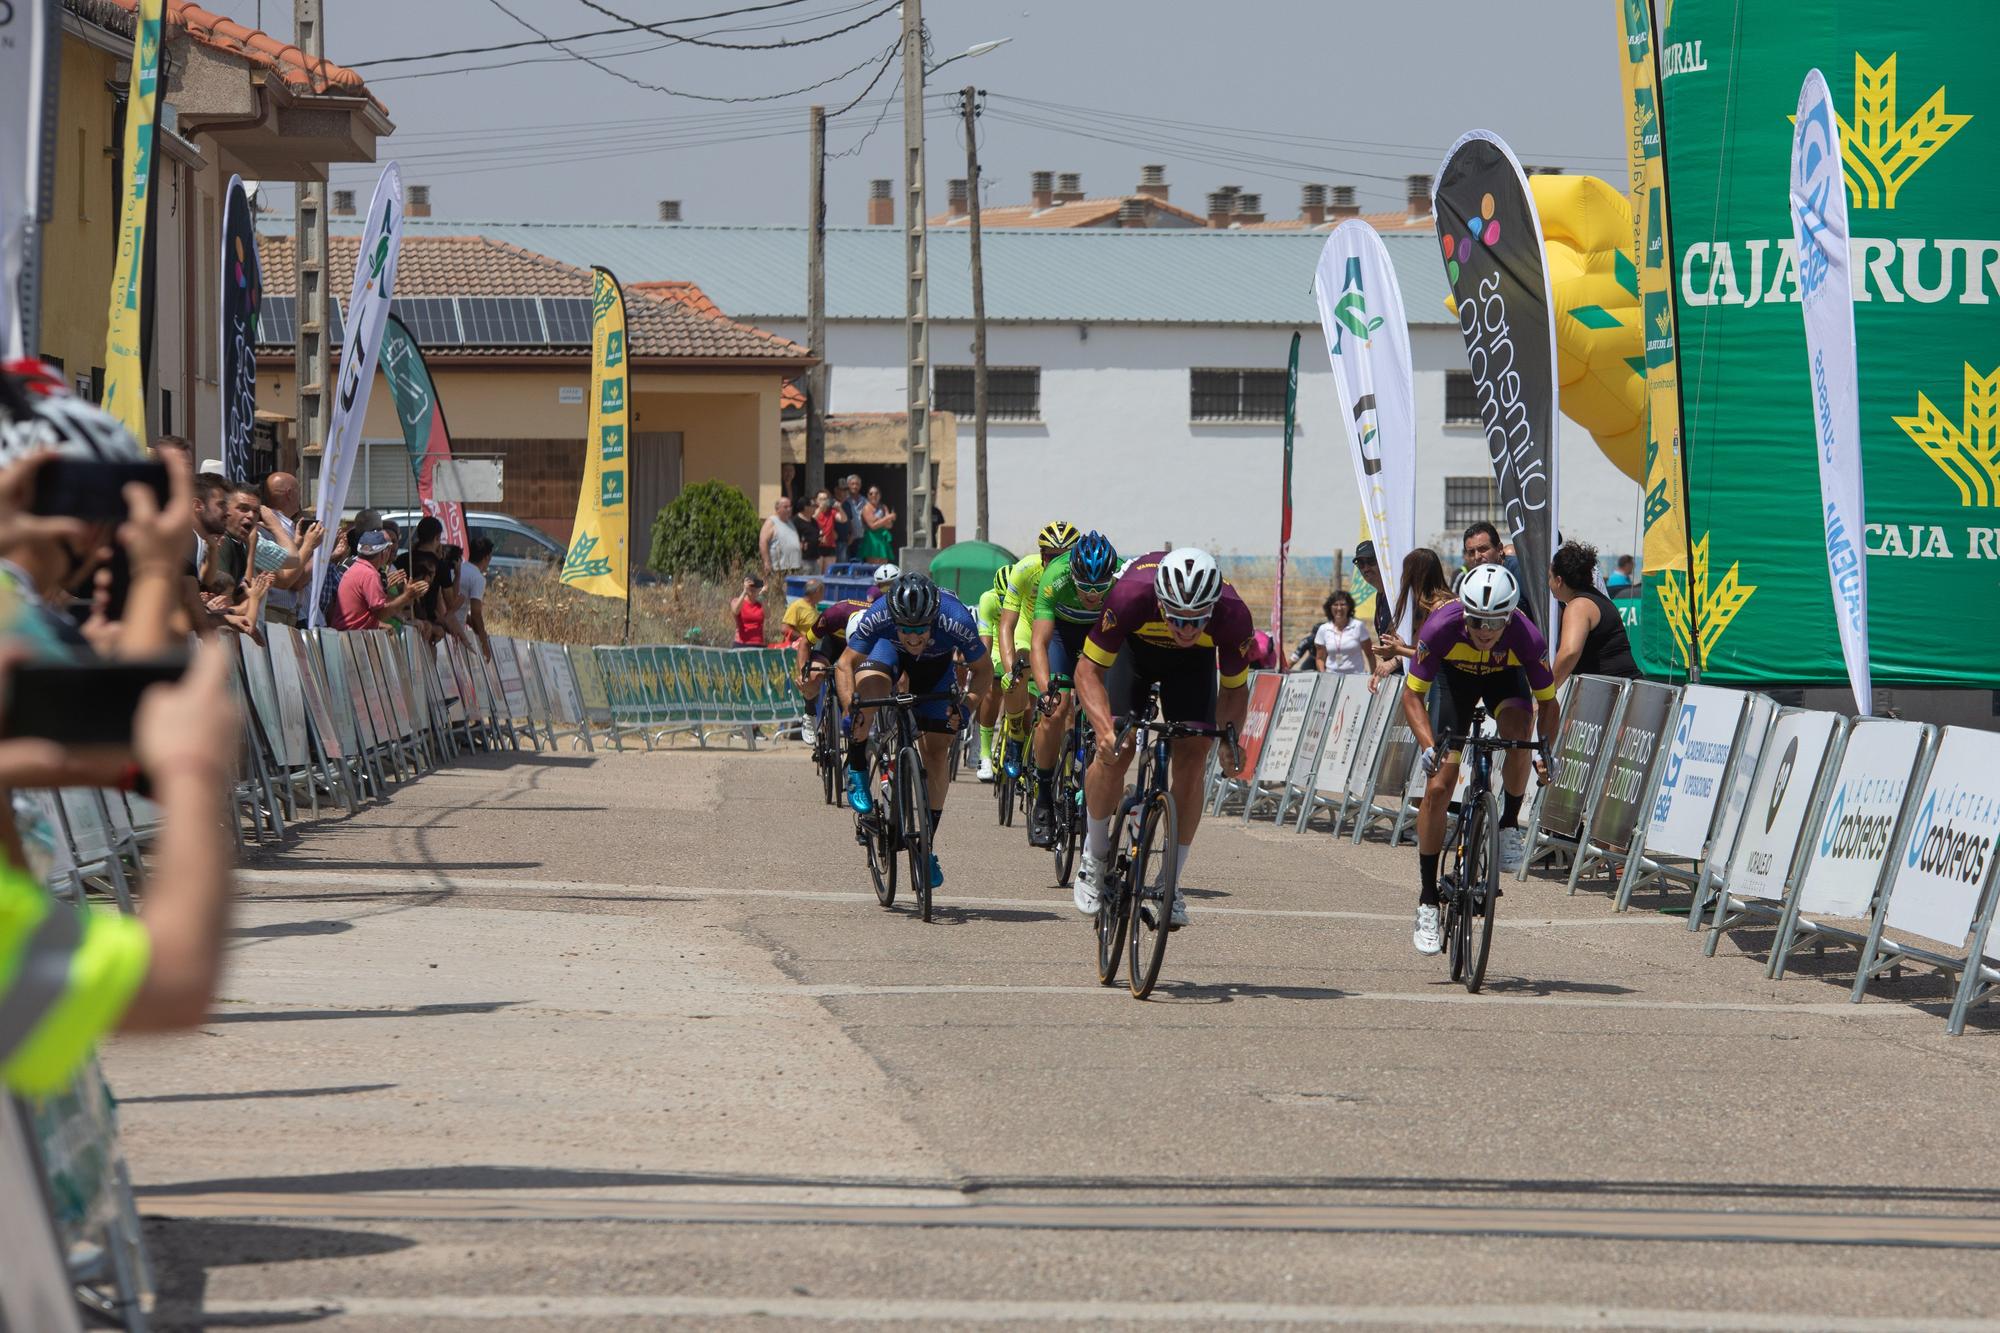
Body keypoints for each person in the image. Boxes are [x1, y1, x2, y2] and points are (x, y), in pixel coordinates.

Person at [1072, 548, 1251, 926]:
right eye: (1177, 619)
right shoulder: (1130, 595)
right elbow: (1087, 671)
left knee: (1193, 756)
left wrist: (1229, 741)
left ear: (1213, 607)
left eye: (1197, 620)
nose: (1186, 629)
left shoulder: (1233, 615)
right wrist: (1105, 730)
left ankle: (1170, 881)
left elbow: (1234, 690)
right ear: (1160, 602)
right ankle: (1094, 855)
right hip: (1133, 654)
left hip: (1192, 667)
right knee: (1114, 751)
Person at [1400, 564, 1560, 955]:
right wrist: (1426, 747)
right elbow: (1411, 697)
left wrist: (1546, 748)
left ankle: (1507, 825)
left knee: (1519, 734)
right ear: (1464, 613)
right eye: (1476, 621)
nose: (1485, 631)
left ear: (1509, 616)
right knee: (1438, 786)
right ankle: (1426, 899)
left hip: (1504, 679)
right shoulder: (1440, 627)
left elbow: (1548, 703)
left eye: (1494, 622)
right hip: (1454, 682)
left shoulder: (1527, 635)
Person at [838, 573, 994, 888]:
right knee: (866, 696)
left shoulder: (956, 619)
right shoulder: (880, 613)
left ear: (933, 620)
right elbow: (845, 663)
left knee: (937, 752)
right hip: (886, 653)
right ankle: (855, 766)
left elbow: (984, 670)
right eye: (905, 629)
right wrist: (848, 708)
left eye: (920, 630)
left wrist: (965, 709)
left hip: (935, 669)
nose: (912, 637)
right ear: (894, 617)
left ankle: (926, 846)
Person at [1026, 530, 1119, 847]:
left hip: (1100, 633)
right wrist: (1045, 692)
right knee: (1057, 709)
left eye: (1099, 587)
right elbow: (1039, 643)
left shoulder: (1122, 579)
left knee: (1110, 710)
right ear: (1073, 576)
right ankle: (1043, 794)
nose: (1092, 594)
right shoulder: (1056, 576)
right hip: (1063, 635)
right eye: (1084, 587)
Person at [995, 521, 1081, 781]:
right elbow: (1006, 625)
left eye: (1065, 557)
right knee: (1017, 676)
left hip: (1058, 634)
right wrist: (1011, 669)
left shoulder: (1079, 575)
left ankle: (1067, 768)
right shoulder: (1025, 570)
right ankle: (1015, 734)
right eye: (1052, 557)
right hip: (1028, 627)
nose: (1058, 563)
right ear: (1042, 556)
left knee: (1064, 703)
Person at [796, 568, 890, 750]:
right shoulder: (834, 614)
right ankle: (809, 712)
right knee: (814, 675)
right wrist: (803, 674)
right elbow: (804, 643)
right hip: (830, 643)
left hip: (859, 649)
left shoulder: (877, 621)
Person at [1550, 540, 1639, 687]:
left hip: (1613, 694)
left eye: (1550, 577)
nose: (1549, 583)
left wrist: (1546, 695)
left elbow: (1569, 653)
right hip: (1624, 688)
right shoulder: (1597, 598)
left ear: (1559, 580)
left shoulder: (1579, 606)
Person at [333, 529, 427, 631]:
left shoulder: (358, 568)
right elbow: (381, 614)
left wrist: (405, 597)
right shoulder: (369, 574)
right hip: (352, 636)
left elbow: (378, 608)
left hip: (347, 633)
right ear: (384, 552)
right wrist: (407, 596)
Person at [972, 565, 1010, 782]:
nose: (1006, 602)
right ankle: (985, 754)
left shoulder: (1026, 597)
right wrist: (984, 669)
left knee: (1028, 704)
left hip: (1018, 641)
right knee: (993, 688)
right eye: (1002, 598)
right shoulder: (988, 599)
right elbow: (985, 640)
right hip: (996, 645)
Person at [1314, 591, 1375, 673]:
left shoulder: (1358, 626)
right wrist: (1323, 674)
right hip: (1331, 677)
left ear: (1349, 607)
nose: (1339, 608)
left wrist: (1373, 675)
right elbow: (1320, 658)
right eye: (1335, 605)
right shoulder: (1323, 629)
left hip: (1356, 676)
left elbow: (1370, 654)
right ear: (1330, 607)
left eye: (1343, 604)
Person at [459, 536, 494, 659]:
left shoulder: (459, 568)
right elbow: (476, 613)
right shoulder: (478, 578)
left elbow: (460, 608)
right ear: (487, 557)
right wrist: (484, 643)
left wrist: (471, 623)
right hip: (456, 631)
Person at [759, 496, 803, 584]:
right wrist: (767, 562)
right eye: (785, 507)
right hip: (779, 568)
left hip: (794, 567)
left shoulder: (790, 522)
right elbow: (763, 542)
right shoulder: (771, 522)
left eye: (790, 506)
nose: (789, 509)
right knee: (780, 594)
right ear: (777, 509)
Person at [857, 485, 896, 562]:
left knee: (884, 566)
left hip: (882, 539)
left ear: (880, 495)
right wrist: (887, 518)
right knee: (873, 566)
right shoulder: (866, 508)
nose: (873, 495)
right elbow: (873, 526)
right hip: (872, 540)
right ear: (868, 496)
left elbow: (889, 525)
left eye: (876, 493)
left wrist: (879, 521)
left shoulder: (883, 507)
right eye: (871, 494)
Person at [782, 577, 823, 648]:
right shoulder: (797, 606)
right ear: (817, 591)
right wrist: (805, 639)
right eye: (822, 592)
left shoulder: (814, 608)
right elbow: (784, 629)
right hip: (797, 650)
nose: (823, 595)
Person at [732, 574, 768, 647]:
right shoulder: (736, 601)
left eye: (755, 587)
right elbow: (735, 611)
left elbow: (768, 615)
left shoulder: (761, 603)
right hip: (741, 643)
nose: (752, 589)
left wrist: (761, 596)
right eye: (750, 587)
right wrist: (745, 591)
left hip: (758, 644)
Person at [810, 491, 840, 573]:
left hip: (830, 545)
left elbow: (843, 519)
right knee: (817, 574)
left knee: (828, 574)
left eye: (825, 499)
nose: (823, 501)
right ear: (816, 501)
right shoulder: (813, 511)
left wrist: (840, 508)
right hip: (817, 546)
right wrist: (820, 508)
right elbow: (811, 521)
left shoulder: (832, 512)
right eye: (821, 499)